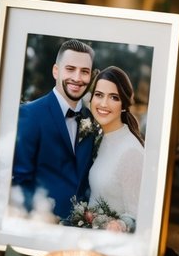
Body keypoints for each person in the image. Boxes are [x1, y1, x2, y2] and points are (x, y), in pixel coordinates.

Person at [11, 39, 97, 220]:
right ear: (55, 71)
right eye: (70, 69)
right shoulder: (29, 114)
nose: (77, 78)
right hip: (41, 224)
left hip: (80, 228)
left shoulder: (90, 118)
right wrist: (40, 215)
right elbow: (20, 179)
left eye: (85, 72)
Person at [86, 66, 144, 221]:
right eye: (99, 95)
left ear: (124, 105)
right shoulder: (102, 137)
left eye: (114, 97)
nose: (104, 104)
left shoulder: (131, 152)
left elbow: (137, 216)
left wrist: (117, 226)